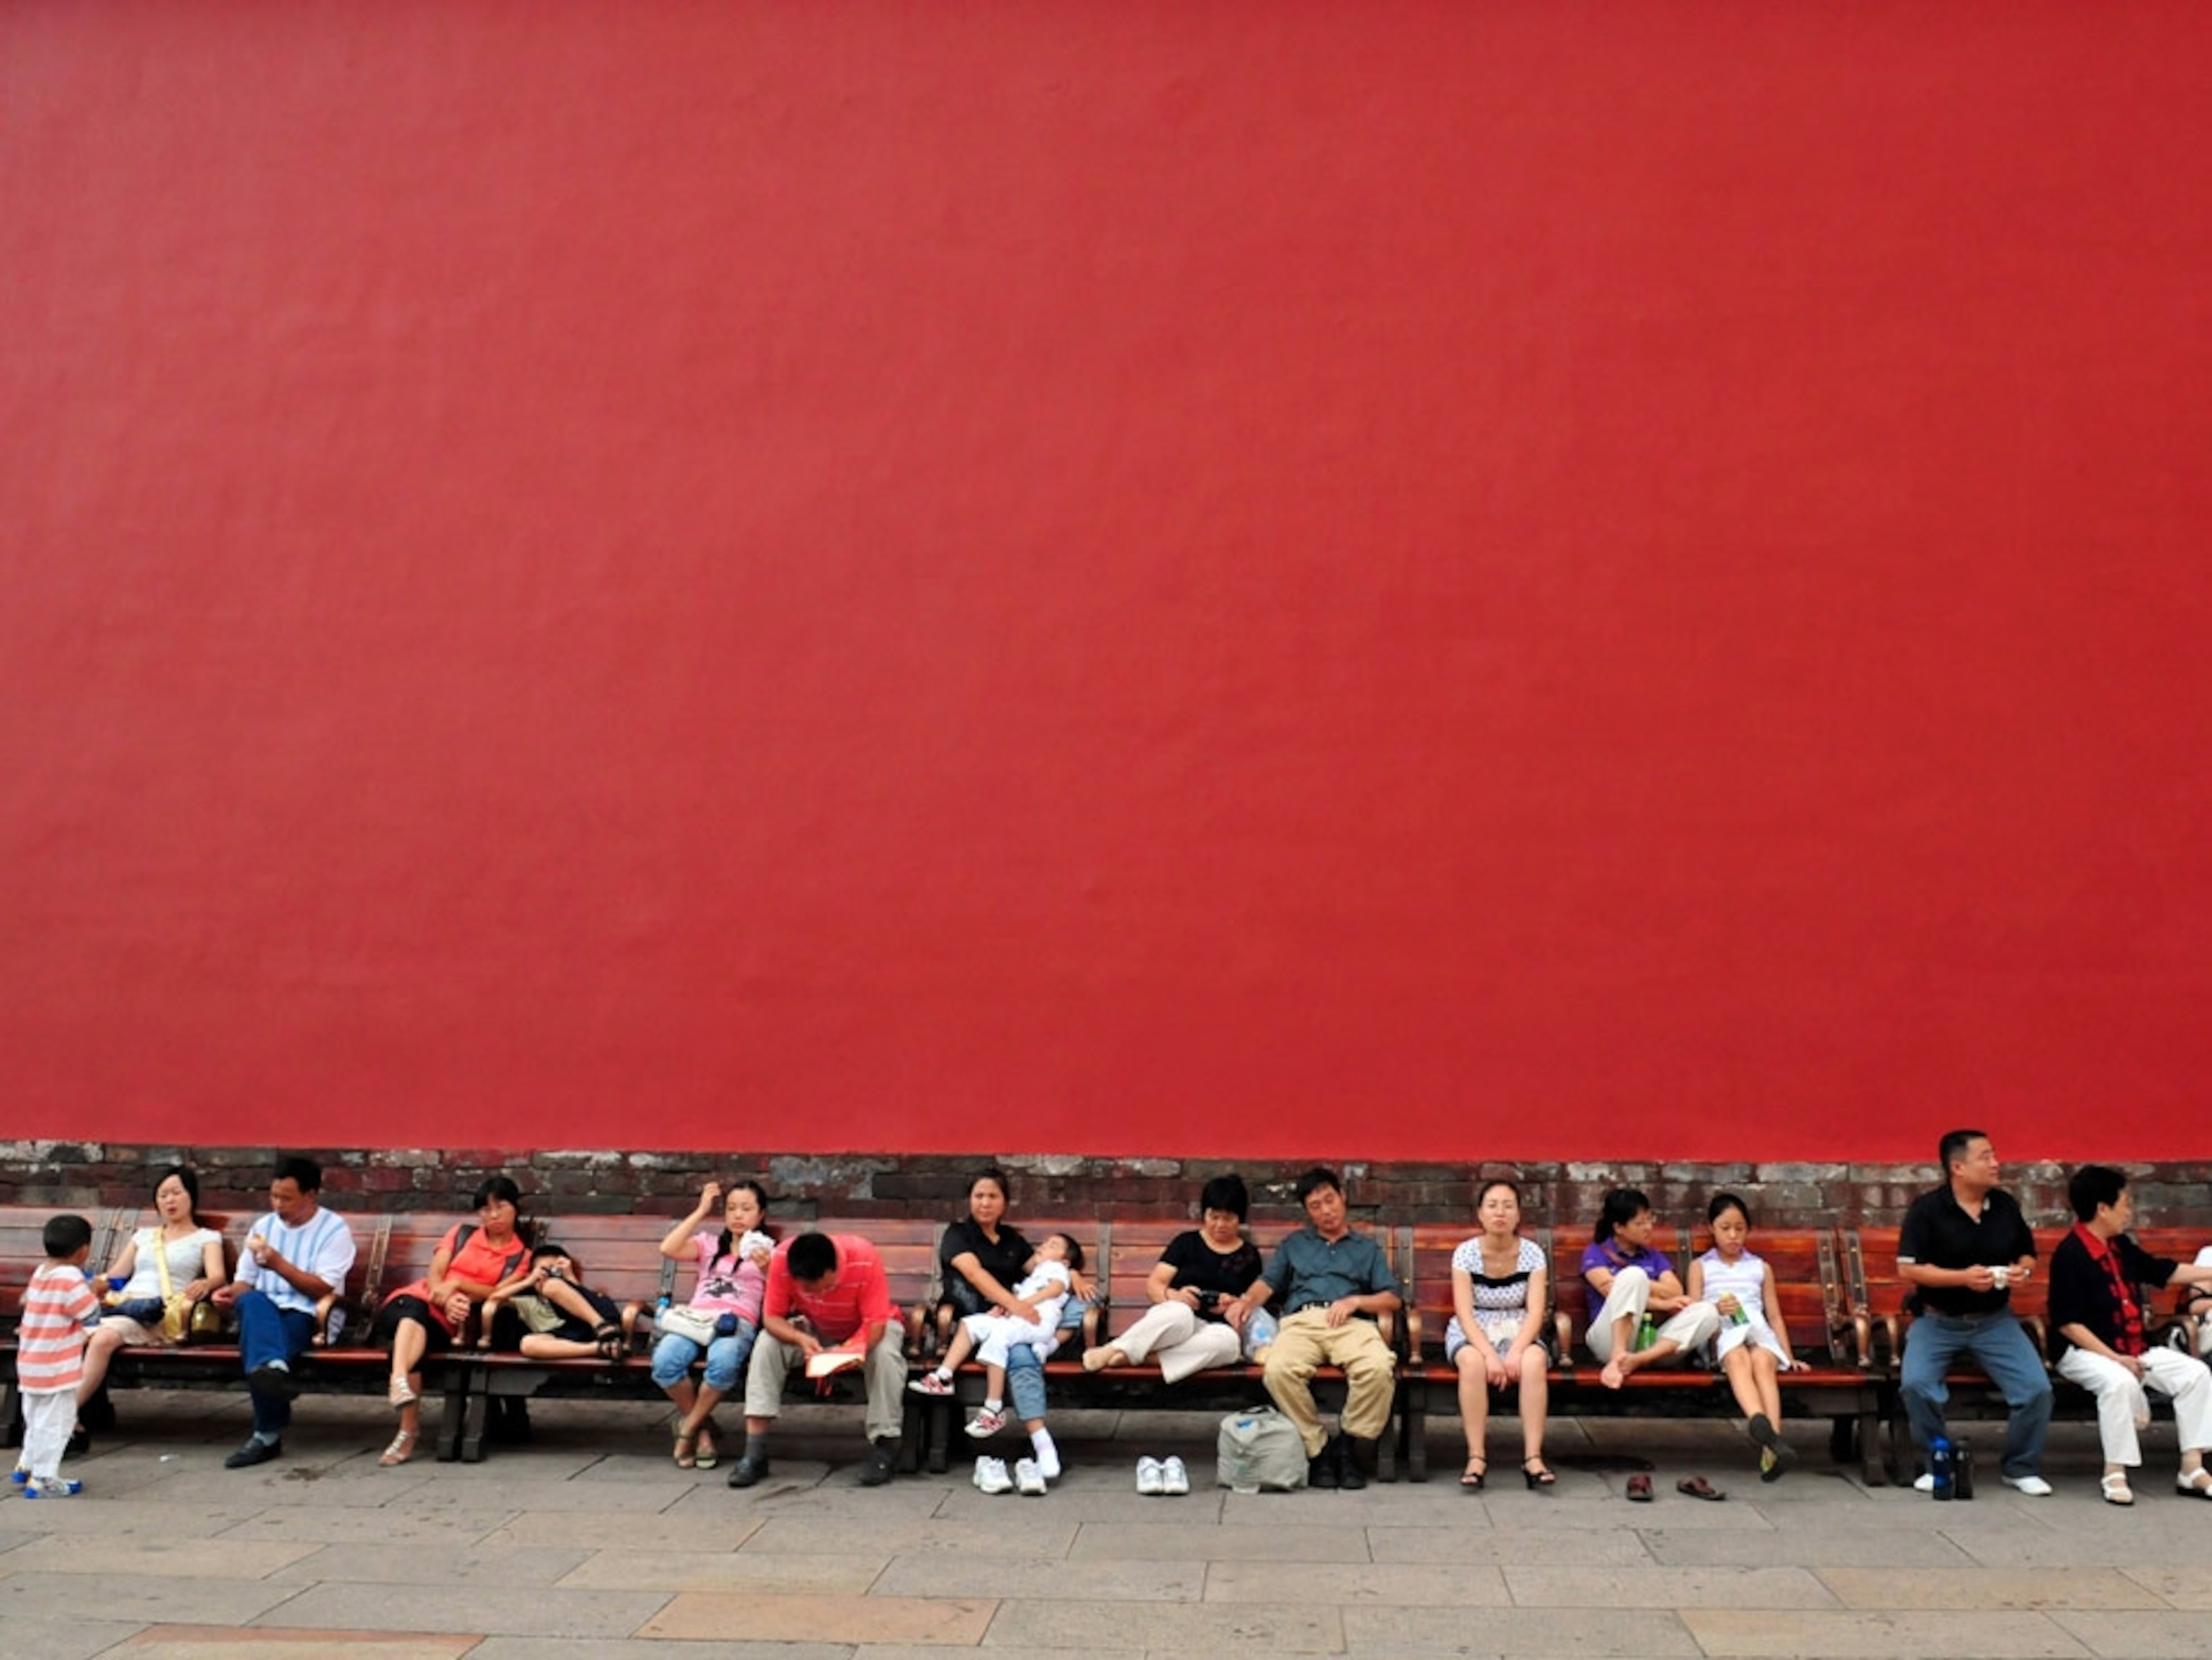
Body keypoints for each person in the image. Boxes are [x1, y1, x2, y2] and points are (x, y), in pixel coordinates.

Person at [1896, 1127, 2054, 1494]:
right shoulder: (1927, 1210)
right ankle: (1938, 1459)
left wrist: (2023, 1272)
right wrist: (1962, 1278)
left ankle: (2020, 1466)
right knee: (1917, 1385)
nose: (1996, 1164)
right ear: (1958, 1167)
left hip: (1994, 1321)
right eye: (1985, 1157)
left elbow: (2027, 1253)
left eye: (1994, 1155)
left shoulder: (2005, 1206)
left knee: (2036, 1389)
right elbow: (1908, 1268)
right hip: (1936, 1319)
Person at [2046, 1163, 2212, 1505]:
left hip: (2134, 1347)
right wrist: (2115, 1359)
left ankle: (2192, 1468)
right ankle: (2115, 1471)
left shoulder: (2119, 1245)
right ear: (2102, 1208)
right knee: (2118, 1382)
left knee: (2196, 1374)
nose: (2130, 1211)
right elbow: (2067, 1323)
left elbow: (2159, 1270)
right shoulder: (2071, 1255)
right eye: (2126, 1203)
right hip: (2084, 1352)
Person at [1231, 1166, 1401, 1491]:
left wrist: (1356, 1302)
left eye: (1330, 1200)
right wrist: (1246, 1302)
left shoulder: (1366, 1249)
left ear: (1343, 1198)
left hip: (1351, 1323)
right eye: (1316, 1206)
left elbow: (1392, 1298)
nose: (1326, 1210)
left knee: (1379, 1368)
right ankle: (1319, 1448)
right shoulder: (1295, 1245)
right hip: (1302, 1323)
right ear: (1308, 1212)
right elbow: (1267, 1284)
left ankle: (1348, 1446)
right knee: (1278, 1370)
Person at [935, 1166, 1090, 1482]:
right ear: (969, 1200)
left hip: (1013, 1322)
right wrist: (1014, 1305)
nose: (985, 1203)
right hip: (974, 1322)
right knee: (1022, 1356)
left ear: (1005, 1203)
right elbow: (976, 1276)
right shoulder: (957, 1235)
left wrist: (1071, 1273)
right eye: (979, 1196)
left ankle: (1014, 1420)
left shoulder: (1012, 1241)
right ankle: (1040, 1440)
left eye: (993, 1196)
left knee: (1080, 1304)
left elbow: (1044, 1271)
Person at [370, 1175, 533, 1469]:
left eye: (501, 1206)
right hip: (413, 1300)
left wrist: (458, 1286)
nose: (493, 1215)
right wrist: (444, 1294)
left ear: (516, 1208)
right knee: (411, 1313)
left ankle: (405, 1418)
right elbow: (435, 1273)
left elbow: (500, 1294)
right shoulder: (461, 1234)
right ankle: (401, 1400)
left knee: (409, 1341)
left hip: (451, 1322)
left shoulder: (521, 1257)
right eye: (485, 1209)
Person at [211, 1155, 358, 1470]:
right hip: (263, 1308)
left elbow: (323, 1290)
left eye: (287, 1198)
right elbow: (244, 1284)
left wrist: (277, 1263)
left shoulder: (334, 1230)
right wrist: (226, 1295)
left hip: (308, 1314)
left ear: (310, 1195)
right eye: (274, 1196)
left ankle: (266, 1435)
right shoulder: (263, 1227)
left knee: (260, 1345)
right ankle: (275, 1371)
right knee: (251, 1304)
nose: (278, 1205)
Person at [728, 1230, 907, 1489]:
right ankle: (755, 1451)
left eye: (814, 1286)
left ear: (833, 1270)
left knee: (886, 1356)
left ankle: (886, 1445)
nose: (807, 1292)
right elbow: (772, 1319)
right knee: (767, 1344)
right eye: (801, 1285)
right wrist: (800, 1339)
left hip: (869, 1329)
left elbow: (876, 1326)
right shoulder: (782, 1259)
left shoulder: (864, 1257)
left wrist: (850, 1351)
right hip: (816, 1327)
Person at [912, 1232, 1085, 1485]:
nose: (1044, 1246)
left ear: (1066, 1261)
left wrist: (1023, 1303)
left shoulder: (1055, 1269)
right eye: (1045, 1242)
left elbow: (1056, 1288)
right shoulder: (1034, 1274)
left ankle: (993, 1409)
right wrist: (1008, 1306)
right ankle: (943, 1376)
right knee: (970, 1326)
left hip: (1034, 1320)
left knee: (999, 1344)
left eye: (1053, 1245)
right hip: (1017, 1318)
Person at [1082, 1173, 1266, 1383]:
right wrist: (1174, 1295)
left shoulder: (1249, 1255)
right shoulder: (1186, 1243)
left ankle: (1140, 1357)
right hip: (1176, 1318)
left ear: (1240, 1218)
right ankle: (1112, 1350)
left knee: (1230, 1345)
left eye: (1228, 1218)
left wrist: (1233, 1304)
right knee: (1181, 1315)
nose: (1220, 1225)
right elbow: (1154, 1284)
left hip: (1213, 1329)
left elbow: (1250, 1299)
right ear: (1204, 1214)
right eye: (1214, 1217)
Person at [647, 1179, 772, 1470]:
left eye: (746, 1209)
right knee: (665, 1360)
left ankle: (688, 1428)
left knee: (724, 1360)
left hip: (736, 1322)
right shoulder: (709, 1244)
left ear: (761, 1214)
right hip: (696, 1319)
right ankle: (702, 1429)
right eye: (731, 1209)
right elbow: (668, 1248)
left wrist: (767, 1266)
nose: (737, 1215)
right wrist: (701, 1210)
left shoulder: (767, 1250)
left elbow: (783, 1289)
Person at [78, 1165, 226, 1410]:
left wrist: (206, 1283)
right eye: (163, 1195)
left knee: (103, 1338)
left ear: (191, 1195)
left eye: (176, 1193)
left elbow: (218, 1276)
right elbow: (117, 1275)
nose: (170, 1200)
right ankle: (75, 1411)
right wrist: (97, 1284)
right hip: (124, 1305)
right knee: (73, 1335)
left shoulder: (206, 1238)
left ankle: (66, 1416)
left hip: (158, 1313)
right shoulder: (143, 1236)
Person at [1447, 1179, 1554, 1490]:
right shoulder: (1465, 1254)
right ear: (1480, 1214)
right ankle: (1476, 1457)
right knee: (1472, 1363)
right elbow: (1464, 1312)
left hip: (1519, 1327)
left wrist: (1517, 1351)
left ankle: (1533, 1457)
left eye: (1508, 1206)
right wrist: (1491, 1356)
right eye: (1492, 1206)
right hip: (1475, 1329)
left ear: (1518, 1215)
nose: (1500, 1213)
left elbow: (1536, 1311)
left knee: (1534, 1362)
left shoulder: (1533, 1254)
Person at [1687, 1193, 1803, 1479]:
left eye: (1740, 1228)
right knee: (1738, 1358)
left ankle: (1772, 1445)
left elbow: (1774, 1316)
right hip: (1722, 1335)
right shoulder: (1701, 1267)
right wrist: (1714, 1308)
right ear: (1711, 1228)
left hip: (1757, 1330)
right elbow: (1692, 1311)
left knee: (1763, 1361)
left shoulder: (1760, 1267)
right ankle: (1762, 1427)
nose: (1733, 1235)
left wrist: (1788, 1357)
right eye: (1725, 1228)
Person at [1581, 1188, 1720, 1389]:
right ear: (1619, 1227)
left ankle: (1638, 1360)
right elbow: (1612, 1292)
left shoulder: (1653, 1256)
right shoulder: (1595, 1253)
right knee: (1632, 1276)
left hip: (1652, 1344)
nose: (1649, 1227)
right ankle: (1618, 1357)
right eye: (1640, 1223)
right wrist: (1662, 1302)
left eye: (1649, 1219)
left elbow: (1675, 1290)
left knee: (1708, 1312)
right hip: (1608, 1341)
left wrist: (1643, 1288)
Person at [12, 1214, 99, 1498]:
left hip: (30, 1364)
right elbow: (89, 1312)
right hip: (56, 1367)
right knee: (58, 1423)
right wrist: (96, 1290)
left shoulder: (41, 1272)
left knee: (35, 1418)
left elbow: (28, 1300)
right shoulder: (71, 1279)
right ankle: (44, 1478)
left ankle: (26, 1463)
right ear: (83, 1250)